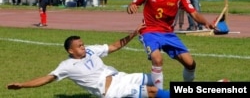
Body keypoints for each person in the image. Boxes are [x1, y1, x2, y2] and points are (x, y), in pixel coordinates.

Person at [6, 25, 170, 98]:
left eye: (83, 44)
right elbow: (46, 78)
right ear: (71, 50)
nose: (83, 47)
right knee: (153, 92)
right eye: (79, 46)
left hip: (121, 77)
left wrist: (133, 34)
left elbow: (113, 46)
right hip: (113, 90)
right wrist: (22, 85)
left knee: (155, 78)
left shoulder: (91, 50)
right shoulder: (67, 66)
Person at [127, 0, 214, 89]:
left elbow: (194, 14)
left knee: (191, 64)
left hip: (168, 34)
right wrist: (131, 7)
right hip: (149, 31)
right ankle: (159, 94)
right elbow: (133, 4)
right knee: (157, 60)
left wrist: (206, 23)